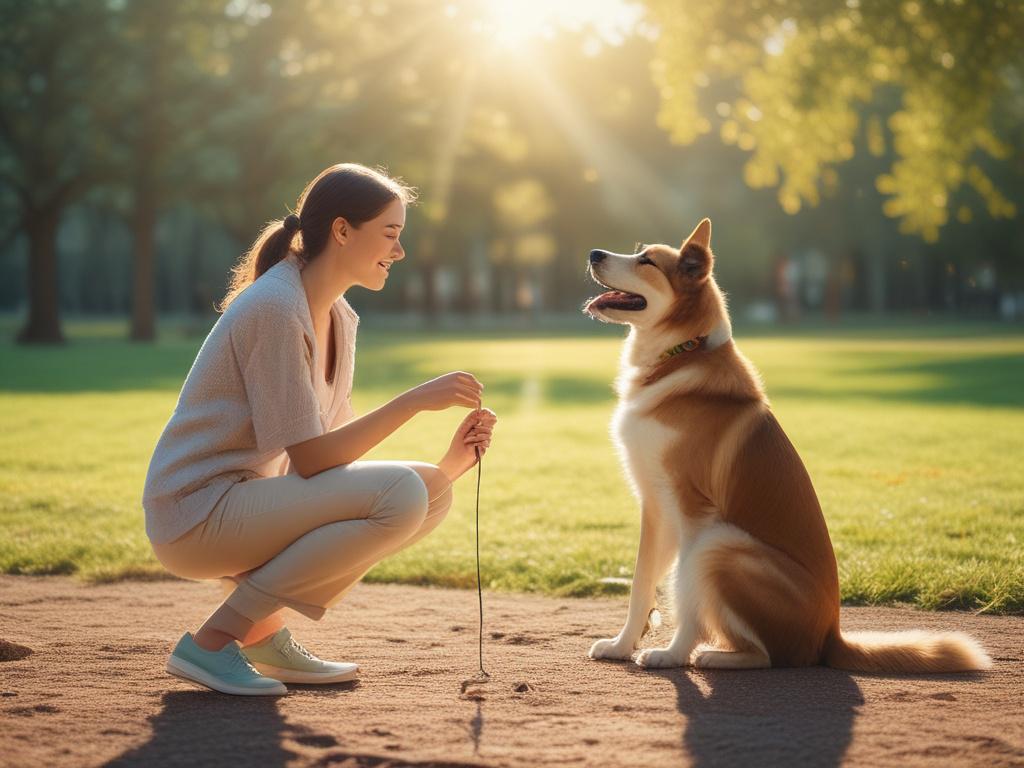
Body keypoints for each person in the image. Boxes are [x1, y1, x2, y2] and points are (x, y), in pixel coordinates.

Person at [142, 163, 497, 696]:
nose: (399, 252)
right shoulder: (276, 307)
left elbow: (329, 462)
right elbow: (310, 461)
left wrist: (450, 465)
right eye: (391, 234)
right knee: (401, 493)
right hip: (195, 512)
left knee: (430, 492)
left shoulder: (340, 316)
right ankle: (213, 642)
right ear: (341, 230)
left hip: (247, 504)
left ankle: (262, 635)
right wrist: (415, 401)